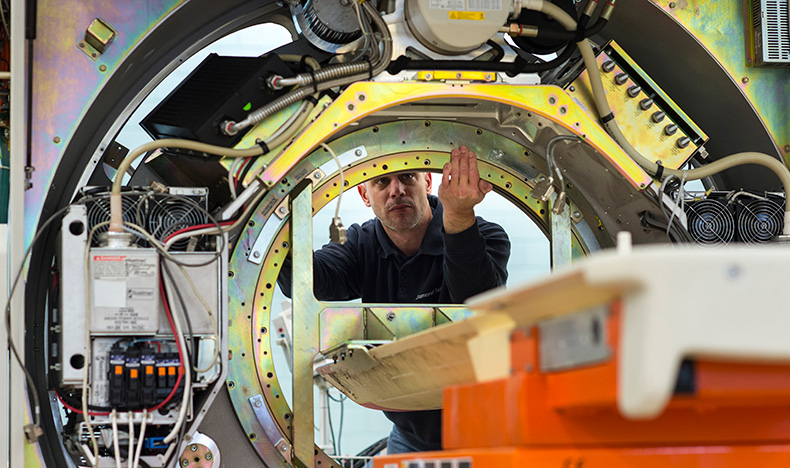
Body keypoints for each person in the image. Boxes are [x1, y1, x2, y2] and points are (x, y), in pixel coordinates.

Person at [277, 145, 510, 453]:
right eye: (382, 182)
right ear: (364, 195)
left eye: (407, 177)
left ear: (427, 183)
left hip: (489, 432)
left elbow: (475, 300)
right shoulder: (361, 245)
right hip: (410, 436)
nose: (396, 190)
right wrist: (280, 222)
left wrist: (458, 218)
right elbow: (311, 282)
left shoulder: (483, 236)